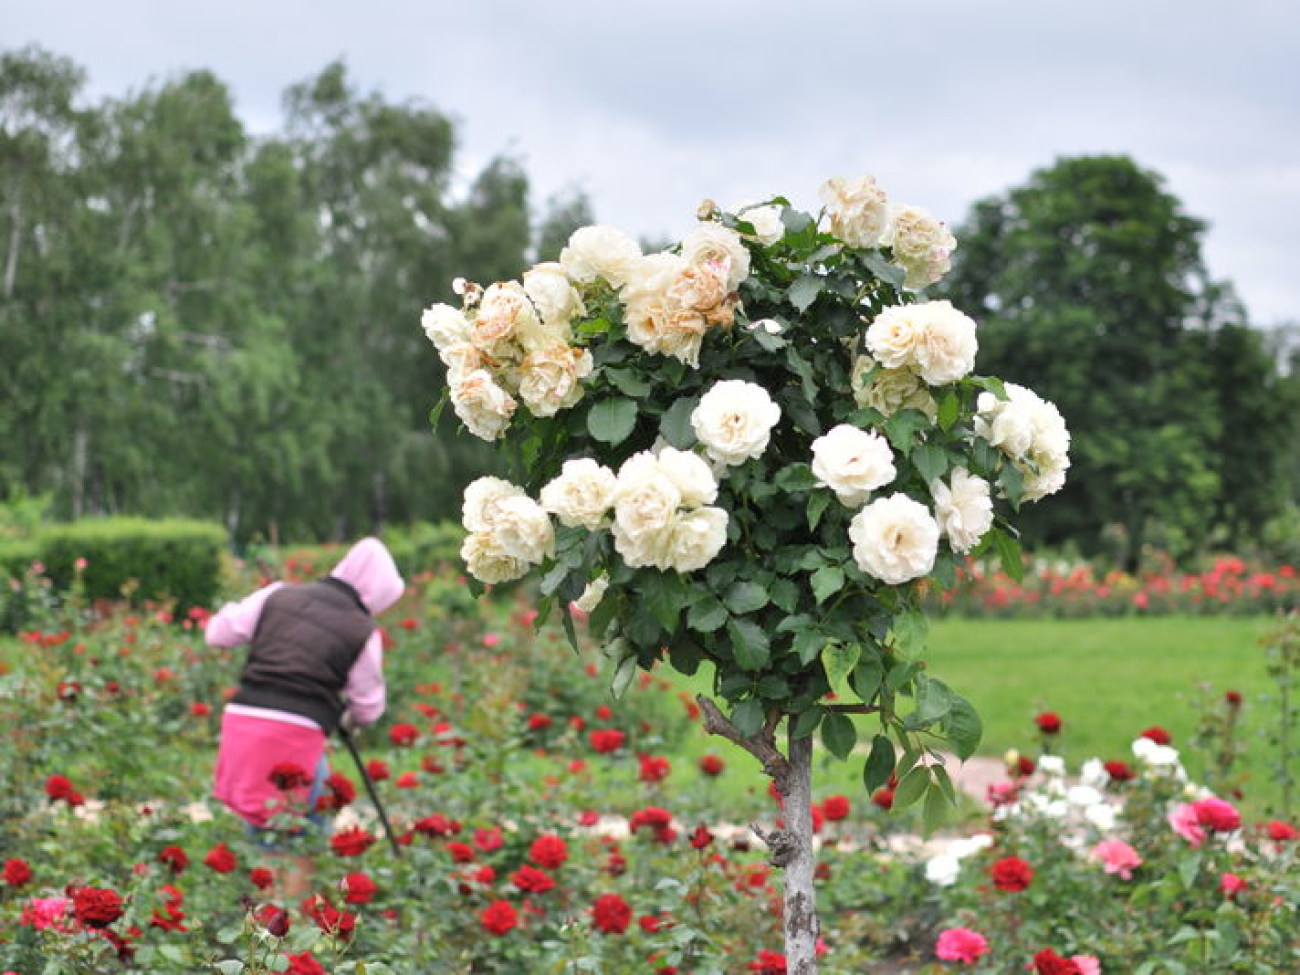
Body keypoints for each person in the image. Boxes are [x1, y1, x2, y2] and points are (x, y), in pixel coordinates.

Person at [205, 537, 404, 876]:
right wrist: (348, 715)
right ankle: (284, 917)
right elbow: (368, 706)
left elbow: (217, 634)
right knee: (293, 834)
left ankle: (263, 910)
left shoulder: (278, 595)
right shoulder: (362, 629)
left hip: (244, 717)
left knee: (272, 819)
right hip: (295, 732)